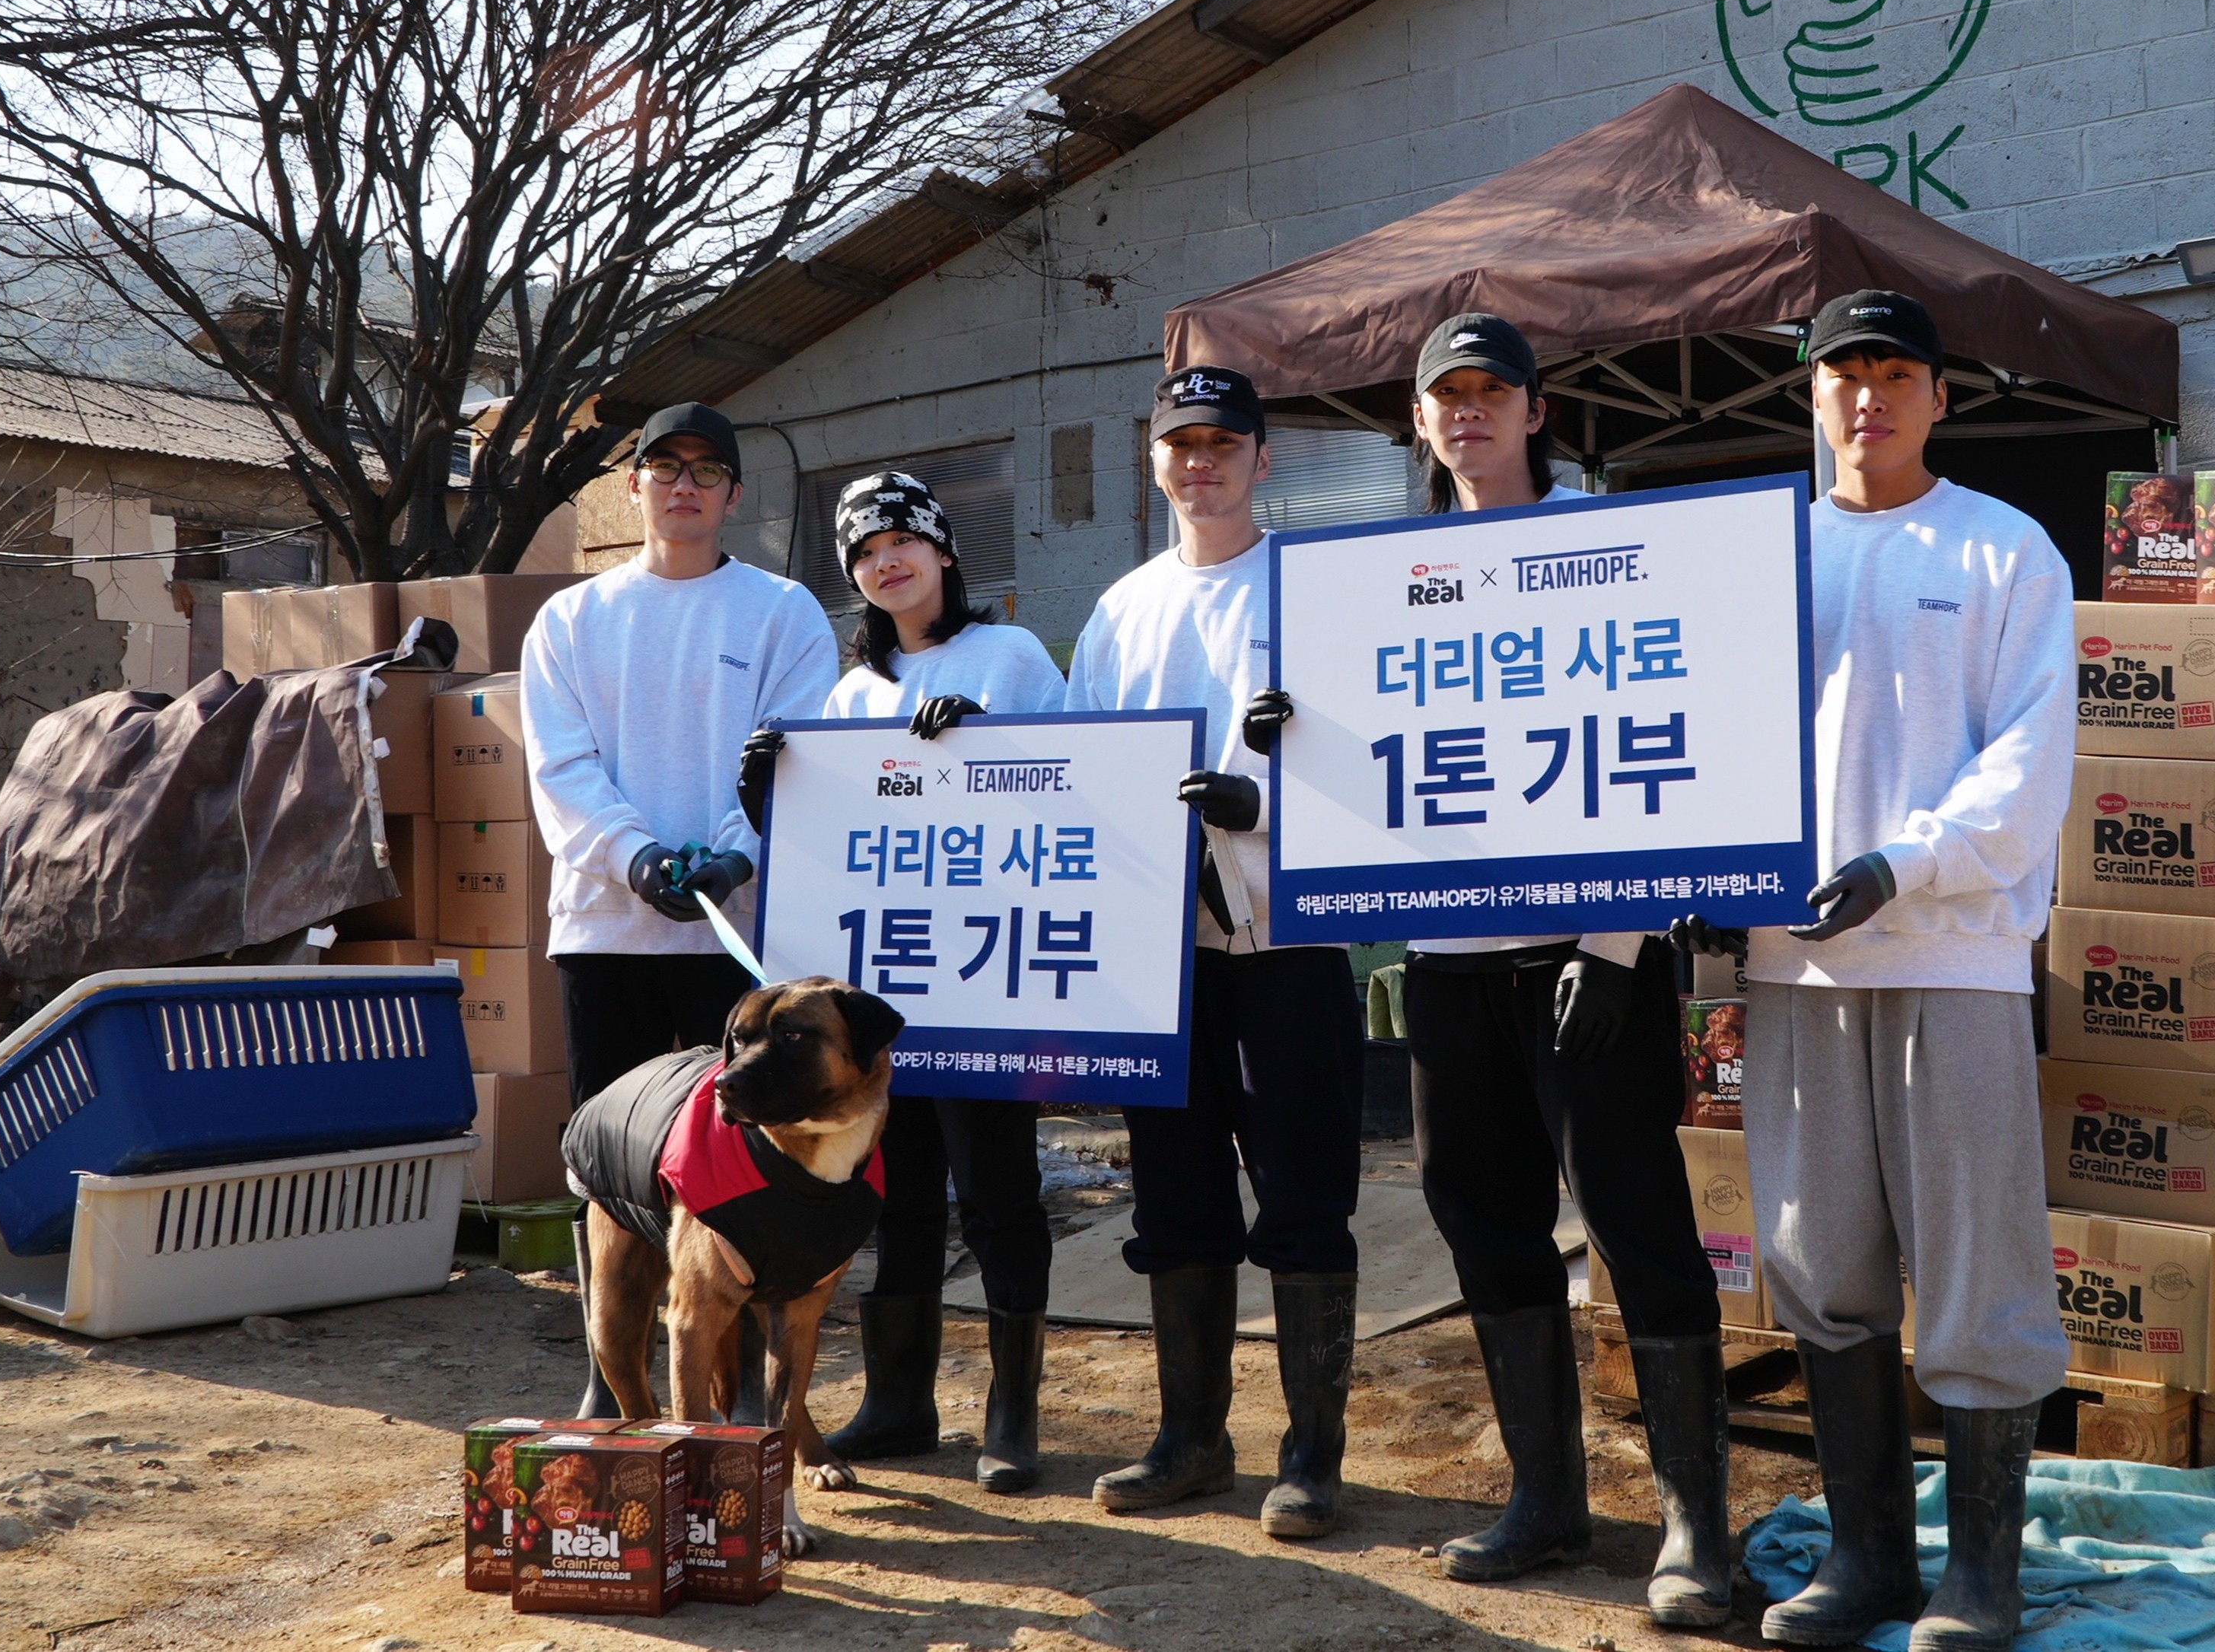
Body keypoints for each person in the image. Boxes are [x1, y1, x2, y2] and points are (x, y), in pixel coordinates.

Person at [1270, 313, 1730, 1624]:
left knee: (1638, 1224)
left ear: (1537, 410)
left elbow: (1675, 736)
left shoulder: (1610, 544)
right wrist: (1297, 736)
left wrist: (1618, 938)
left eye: (1491, 391)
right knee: (1484, 1223)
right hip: (1451, 966)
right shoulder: (1380, 576)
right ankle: (1548, 1498)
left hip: (1593, 958)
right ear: (1420, 422)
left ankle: (1699, 1524)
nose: (1467, 412)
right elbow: (1378, 761)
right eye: (1444, 396)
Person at [1672, 290, 2073, 1652]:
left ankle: (1984, 1572)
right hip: (1793, 966)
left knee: (1978, 1260)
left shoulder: (2004, 547)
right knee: (1818, 1257)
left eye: (1897, 372)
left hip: (1955, 951)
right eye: (1845, 372)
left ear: (1940, 397)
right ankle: (1866, 1555)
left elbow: (2027, 764)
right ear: (1813, 393)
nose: (1869, 395)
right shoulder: (1755, 559)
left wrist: (1907, 864)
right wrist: (1683, 881)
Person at [1064, 365, 1364, 1540]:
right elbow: (1085, 771)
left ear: (1261, 459)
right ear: (1155, 459)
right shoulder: (1120, 609)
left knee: (1304, 1197)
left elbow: (1369, 753)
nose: (1202, 462)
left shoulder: (1315, 586)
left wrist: (1261, 803)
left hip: (1288, 939)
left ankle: (1312, 1454)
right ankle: (1190, 1436)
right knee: (1176, 1200)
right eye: (1181, 443)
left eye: (1223, 443)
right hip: (1163, 956)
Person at [731, 471, 1068, 1491]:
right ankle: (898, 1398)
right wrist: (767, 794)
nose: (887, 558)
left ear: (945, 550)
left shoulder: (1010, 655)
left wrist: (990, 740)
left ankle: (1011, 1415)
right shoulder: (849, 696)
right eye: (865, 550)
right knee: (899, 1190)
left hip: (991, 976)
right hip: (880, 994)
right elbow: (828, 846)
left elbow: (1077, 782)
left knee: (999, 1187)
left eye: (903, 538)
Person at [524, 401, 839, 1418]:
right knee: (609, 1157)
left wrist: (727, 852)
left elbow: (796, 750)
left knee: (740, 1158)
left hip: (734, 933)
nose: (687, 483)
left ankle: (733, 1384)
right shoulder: (571, 620)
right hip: (606, 929)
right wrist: (638, 857)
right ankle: (608, 1367)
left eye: (709, 469)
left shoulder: (784, 612)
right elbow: (560, 767)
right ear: (634, 487)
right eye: (666, 466)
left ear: (736, 494)